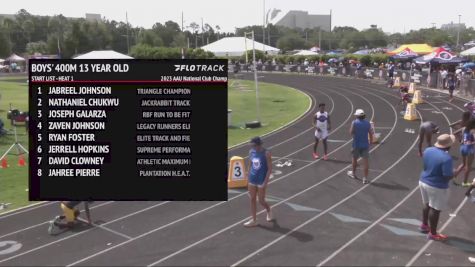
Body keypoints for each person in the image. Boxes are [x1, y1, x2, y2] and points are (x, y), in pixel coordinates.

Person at [419, 134, 455, 241]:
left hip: (423, 180)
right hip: (437, 186)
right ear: (449, 146)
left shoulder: (428, 150)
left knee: (426, 203)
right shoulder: (447, 158)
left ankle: (424, 225)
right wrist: (455, 173)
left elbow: (425, 166)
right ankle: (433, 233)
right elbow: (447, 176)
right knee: (435, 209)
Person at [244, 137, 273, 227]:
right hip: (252, 179)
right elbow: (250, 164)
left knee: (261, 200)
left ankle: (268, 210)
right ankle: (254, 220)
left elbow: (269, 168)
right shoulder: (251, 152)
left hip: (261, 180)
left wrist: (265, 182)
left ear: (258, 145)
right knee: (252, 199)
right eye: (251, 145)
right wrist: (247, 176)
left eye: (253, 145)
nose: (252, 147)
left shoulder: (266, 153)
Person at [347, 109, 374, 184]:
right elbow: (371, 133)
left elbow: (351, 132)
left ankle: (353, 173)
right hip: (365, 144)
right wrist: (371, 142)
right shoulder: (368, 123)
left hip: (356, 144)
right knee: (365, 162)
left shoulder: (354, 122)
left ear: (357, 116)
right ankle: (365, 178)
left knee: (354, 159)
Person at [454, 119, 475, 187]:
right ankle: (465, 182)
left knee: (463, 164)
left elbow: (455, 133)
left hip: (462, 147)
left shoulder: (464, 128)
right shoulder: (473, 131)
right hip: (470, 149)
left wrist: (461, 140)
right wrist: (471, 142)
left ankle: (454, 176)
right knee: (468, 167)